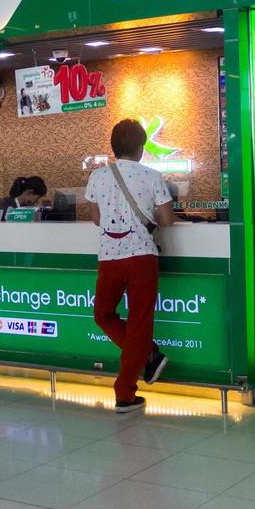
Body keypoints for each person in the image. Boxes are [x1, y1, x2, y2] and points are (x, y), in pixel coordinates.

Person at [86, 118, 175, 413]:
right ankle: (131, 379)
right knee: (139, 322)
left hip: (109, 257)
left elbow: (96, 218)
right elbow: (165, 221)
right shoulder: (153, 176)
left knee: (103, 315)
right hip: (141, 257)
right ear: (141, 147)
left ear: (113, 147)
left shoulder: (97, 177)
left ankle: (138, 367)